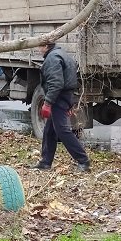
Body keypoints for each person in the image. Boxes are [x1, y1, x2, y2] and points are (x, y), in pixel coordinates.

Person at [32, 42, 91, 172]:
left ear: (46, 46)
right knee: (49, 130)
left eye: (40, 46)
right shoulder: (62, 54)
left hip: (58, 97)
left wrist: (47, 103)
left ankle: (83, 161)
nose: (39, 49)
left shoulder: (52, 58)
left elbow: (56, 83)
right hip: (65, 95)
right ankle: (45, 162)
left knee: (62, 131)